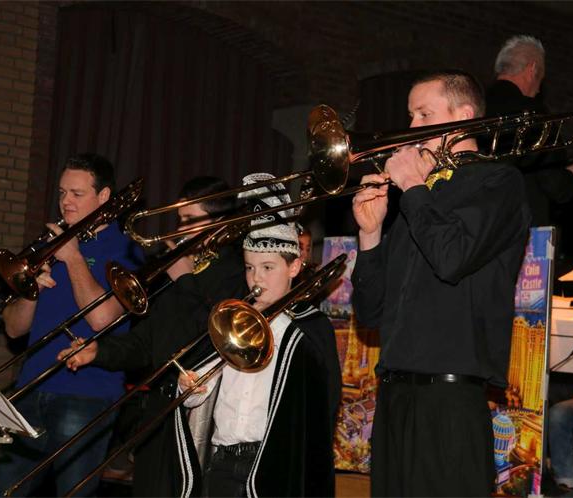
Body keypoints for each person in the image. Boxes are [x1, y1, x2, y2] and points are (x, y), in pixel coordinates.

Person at [351, 70, 531, 496]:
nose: (411, 127)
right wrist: (370, 234)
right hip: (394, 397)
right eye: (410, 115)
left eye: (423, 114)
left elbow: (451, 259)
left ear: (464, 118)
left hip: (449, 401)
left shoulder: (499, 183)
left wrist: (413, 186)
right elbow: (371, 313)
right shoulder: (419, 200)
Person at [59, 176, 247, 497]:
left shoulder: (235, 273)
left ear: (219, 223)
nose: (180, 228)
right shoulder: (177, 269)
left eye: (190, 219)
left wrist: (185, 280)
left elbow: (212, 341)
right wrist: (98, 351)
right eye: (180, 219)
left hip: (198, 415)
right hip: (157, 413)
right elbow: (144, 344)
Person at [178, 172, 342, 497]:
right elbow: (205, 390)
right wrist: (191, 388)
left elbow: (322, 407)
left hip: (272, 463)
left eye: (268, 268)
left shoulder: (308, 327)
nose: (257, 278)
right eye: (250, 267)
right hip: (222, 459)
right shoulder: (233, 318)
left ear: (294, 267)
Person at [0, 153, 143, 497]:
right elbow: (13, 329)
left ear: (103, 196)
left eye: (77, 193)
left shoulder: (126, 250)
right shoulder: (49, 246)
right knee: (5, 491)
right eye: (62, 192)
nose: (65, 202)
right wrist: (32, 290)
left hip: (87, 394)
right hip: (31, 386)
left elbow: (102, 319)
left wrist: (74, 257)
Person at [486, 34, 573, 227]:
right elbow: (555, 185)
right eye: (541, 79)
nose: (539, 89)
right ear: (532, 69)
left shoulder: (473, 104)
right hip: (517, 230)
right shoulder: (535, 115)